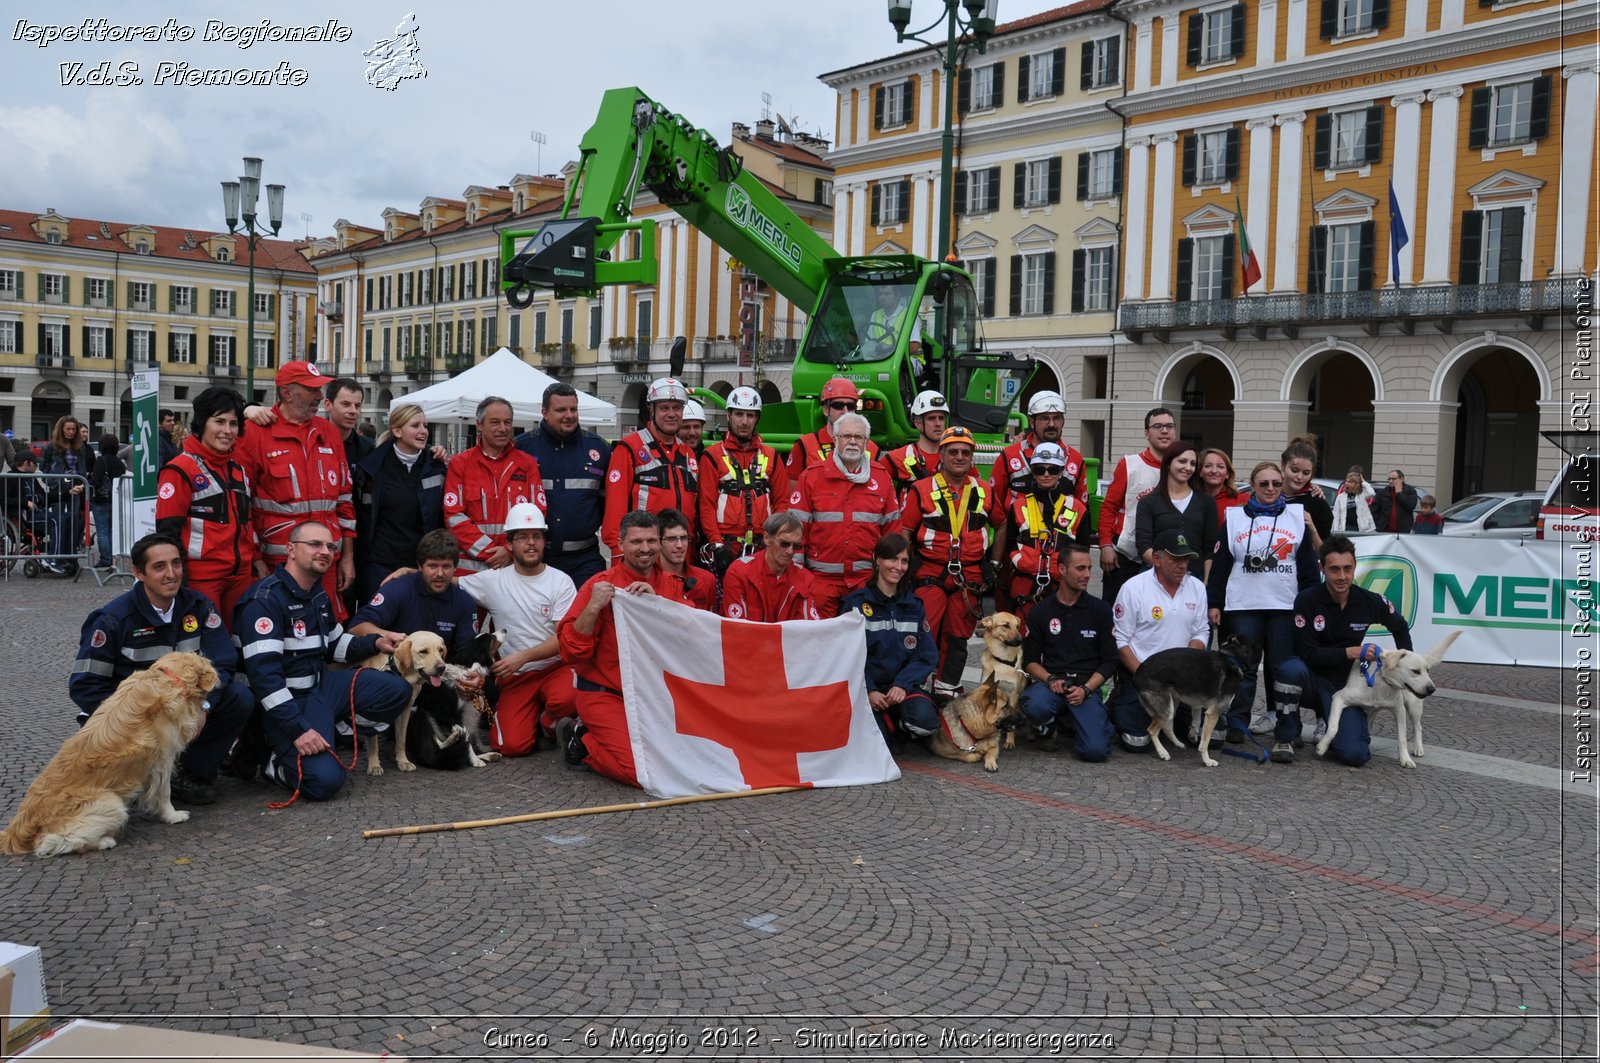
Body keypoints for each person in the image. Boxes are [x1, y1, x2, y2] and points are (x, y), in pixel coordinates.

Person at [68, 533, 254, 806]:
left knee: (239, 696)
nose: (171, 574)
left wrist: (204, 706)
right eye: (159, 567)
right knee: (116, 805)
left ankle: (190, 773)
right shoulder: (113, 620)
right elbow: (85, 685)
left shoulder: (199, 608)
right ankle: (137, 775)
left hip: (184, 712)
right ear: (138, 573)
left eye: (176, 564)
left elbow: (223, 663)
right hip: (133, 720)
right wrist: (136, 719)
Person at [236, 519, 411, 801]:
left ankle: (329, 732)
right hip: (287, 703)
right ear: (291, 550)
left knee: (397, 690)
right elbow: (264, 680)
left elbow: (335, 645)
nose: (326, 551)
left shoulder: (316, 593)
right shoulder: (264, 601)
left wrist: (376, 641)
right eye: (315, 544)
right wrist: (297, 730)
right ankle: (270, 758)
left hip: (322, 689)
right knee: (325, 782)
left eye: (331, 546)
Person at [1207, 461, 1321, 762]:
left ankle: (1289, 725)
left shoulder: (1297, 517)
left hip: (1285, 605)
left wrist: (1311, 605)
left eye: (1275, 483)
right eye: (1263, 484)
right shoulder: (1233, 518)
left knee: (1282, 668)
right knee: (1242, 667)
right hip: (1244, 603)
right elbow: (1220, 566)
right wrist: (1214, 602)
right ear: (1253, 487)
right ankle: (1237, 722)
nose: (1270, 489)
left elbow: (1308, 567)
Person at [556, 510, 679, 786]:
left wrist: (658, 604)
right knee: (642, 774)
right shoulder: (599, 586)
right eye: (636, 542)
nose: (645, 549)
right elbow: (570, 650)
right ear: (620, 545)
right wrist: (593, 607)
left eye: (651, 541)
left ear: (660, 542)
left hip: (653, 695)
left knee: (683, 759)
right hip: (605, 695)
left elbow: (691, 633)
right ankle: (581, 739)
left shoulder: (669, 586)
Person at [232, 362, 358, 620]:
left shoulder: (328, 433)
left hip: (326, 560)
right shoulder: (255, 434)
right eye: (311, 389)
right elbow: (241, 506)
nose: (319, 396)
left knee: (328, 630)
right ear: (287, 393)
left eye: (319, 389)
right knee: (284, 629)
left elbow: (345, 501)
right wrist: (255, 559)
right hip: (280, 564)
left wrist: (347, 557)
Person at [1276, 535, 1414, 767]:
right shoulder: (1307, 600)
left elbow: (1400, 627)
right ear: (1323, 569)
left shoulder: (1369, 601)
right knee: (1290, 670)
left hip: (1347, 686)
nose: (1342, 576)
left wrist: (1404, 666)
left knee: (1355, 754)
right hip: (1312, 678)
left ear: (1354, 567)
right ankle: (1285, 737)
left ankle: (1334, 728)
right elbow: (1309, 654)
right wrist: (1351, 652)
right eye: (1335, 569)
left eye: (1347, 569)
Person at [455, 505, 579, 756]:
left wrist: (522, 657)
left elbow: (563, 638)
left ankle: (548, 722)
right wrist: (408, 574)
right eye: (522, 537)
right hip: (516, 677)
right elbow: (445, 579)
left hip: (556, 669)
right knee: (510, 746)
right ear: (509, 544)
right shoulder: (493, 580)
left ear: (544, 541)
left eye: (537, 536)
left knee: (566, 698)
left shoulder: (561, 581)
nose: (531, 543)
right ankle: (534, 718)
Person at [899, 425, 1000, 699]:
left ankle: (946, 688)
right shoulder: (920, 489)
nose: (959, 456)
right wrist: (904, 568)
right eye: (953, 451)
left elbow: (1001, 525)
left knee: (958, 636)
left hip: (969, 577)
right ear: (941, 454)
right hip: (930, 572)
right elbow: (905, 532)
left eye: (965, 452)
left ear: (972, 456)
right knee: (924, 631)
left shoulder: (984, 490)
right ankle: (914, 688)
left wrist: (995, 564)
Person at [156, 387, 258, 627]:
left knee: (242, 649)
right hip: (202, 580)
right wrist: (179, 582)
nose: (227, 431)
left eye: (233, 424)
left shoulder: (238, 470)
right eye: (219, 421)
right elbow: (167, 535)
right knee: (208, 652)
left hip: (241, 578)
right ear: (202, 424)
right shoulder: (179, 469)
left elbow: (247, 525)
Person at [1109, 529, 1212, 752]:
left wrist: (1189, 667)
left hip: (1181, 682)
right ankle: (1119, 702)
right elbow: (1121, 642)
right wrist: (1147, 678)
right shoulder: (1133, 589)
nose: (1182, 565)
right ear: (1157, 559)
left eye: (1185, 559)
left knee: (1204, 738)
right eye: (1175, 559)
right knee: (1135, 743)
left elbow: (1201, 632)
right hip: (1144, 677)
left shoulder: (1197, 588)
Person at [791, 411, 900, 618]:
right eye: (846, 436)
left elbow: (892, 534)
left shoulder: (882, 478)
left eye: (858, 437)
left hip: (866, 582)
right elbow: (796, 532)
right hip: (820, 583)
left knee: (865, 645)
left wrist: (887, 578)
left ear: (867, 442)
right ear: (835, 440)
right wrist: (798, 577)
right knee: (821, 643)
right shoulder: (811, 477)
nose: (852, 442)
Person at [1019, 543, 1118, 760]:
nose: (1087, 575)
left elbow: (1110, 661)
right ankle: (1049, 724)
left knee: (1095, 752)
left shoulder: (1100, 611)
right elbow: (1030, 661)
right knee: (1034, 703)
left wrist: (1087, 689)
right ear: (1062, 570)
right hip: (1052, 685)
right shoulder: (1041, 611)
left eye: (1090, 569)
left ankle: (1082, 722)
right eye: (1080, 568)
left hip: (1086, 687)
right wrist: (1051, 678)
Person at [839, 532, 939, 745]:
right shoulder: (855, 605)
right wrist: (870, 690)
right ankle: (886, 725)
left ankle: (899, 720)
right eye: (892, 559)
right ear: (877, 559)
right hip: (866, 691)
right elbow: (845, 657)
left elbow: (927, 655)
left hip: (901, 689)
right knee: (877, 745)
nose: (898, 567)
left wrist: (902, 685)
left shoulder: (914, 605)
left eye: (904, 561)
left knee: (926, 723)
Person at [514, 382, 612, 590]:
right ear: (545, 412)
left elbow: (609, 501)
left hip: (584, 560)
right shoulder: (521, 448)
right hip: (537, 558)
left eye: (573, 409)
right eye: (561, 410)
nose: (569, 415)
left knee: (588, 617)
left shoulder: (598, 449)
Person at [348, 529, 481, 675]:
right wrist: (392, 637)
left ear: (455, 567)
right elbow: (356, 627)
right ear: (419, 566)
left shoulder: (464, 601)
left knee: (486, 688)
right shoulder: (398, 589)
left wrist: (473, 677)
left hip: (438, 675)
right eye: (432, 566)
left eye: (446, 566)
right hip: (394, 673)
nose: (440, 574)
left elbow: (467, 654)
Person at [352, 403, 447, 604]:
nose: (423, 431)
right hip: (379, 563)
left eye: (425, 425)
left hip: (421, 562)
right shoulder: (372, 466)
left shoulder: (436, 465)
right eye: (415, 425)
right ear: (397, 431)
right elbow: (360, 515)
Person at [444, 396, 547, 575]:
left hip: (515, 567)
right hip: (471, 571)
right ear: (479, 424)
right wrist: (491, 552)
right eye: (494, 422)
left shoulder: (527, 463)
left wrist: (509, 551)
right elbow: (454, 517)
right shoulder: (461, 464)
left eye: (507, 422)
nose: (503, 428)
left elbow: (537, 513)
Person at [603, 377, 699, 552]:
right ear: (651, 410)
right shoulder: (629, 448)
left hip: (680, 553)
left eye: (677, 408)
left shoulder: (687, 453)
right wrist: (619, 556)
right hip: (644, 553)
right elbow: (614, 511)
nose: (671, 414)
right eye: (664, 408)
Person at [698, 386, 787, 572]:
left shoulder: (772, 456)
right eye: (739, 414)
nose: (744, 421)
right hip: (726, 546)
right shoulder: (712, 456)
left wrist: (773, 537)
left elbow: (782, 502)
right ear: (729, 416)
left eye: (750, 415)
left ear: (757, 418)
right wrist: (716, 543)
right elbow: (706, 505)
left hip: (763, 546)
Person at [1098, 407, 1178, 606]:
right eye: (1158, 426)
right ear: (1146, 433)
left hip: (1167, 554)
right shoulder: (1129, 464)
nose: (1164, 431)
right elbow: (1109, 506)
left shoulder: (1181, 467)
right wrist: (1106, 545)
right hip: (1126, 555)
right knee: (1115, 613)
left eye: (1169, 426)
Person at [1004, 442, 1090, 615]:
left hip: (1063, 585)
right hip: (1025, 583)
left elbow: (1084, 550)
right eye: (1039, 470)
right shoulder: (1018, 506)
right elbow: (1011, 545)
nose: (1046, 474)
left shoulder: (1078, 509)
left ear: (1060, 473)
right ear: (1033, 473)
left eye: (1052, 470)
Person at [988, 390, 1091, 523]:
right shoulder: (1009, 455)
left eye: (1057, 418)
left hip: (1062, 538)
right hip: (1017, 537)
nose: (1052, 424)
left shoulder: (1075, 459)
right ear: (1032, 422)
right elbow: (994, 501)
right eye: (1044, 418)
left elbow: (1081, 507)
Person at [1135, 442, 1218, 582]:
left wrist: (1206, 583)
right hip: (1156, 577)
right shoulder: (1148, 502)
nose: (1188, 468)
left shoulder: (1206, 501)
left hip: (1195, 579)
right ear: (1168, 463)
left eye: (1193, 463)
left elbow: (1210, 549)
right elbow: (1143, 545)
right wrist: (1168, 570)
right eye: (1182, 461)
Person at [721, 511, 821, 622]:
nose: (790, 551)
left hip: (786, 639)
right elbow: (736, 628)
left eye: (796, 546)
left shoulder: (805, 579)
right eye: (784, 543)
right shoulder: (739, 572)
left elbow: (808, 629)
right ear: (767, 538)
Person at [786, 377, 880, 480]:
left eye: (851, 406)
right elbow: (793, 490)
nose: (845, 411)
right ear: (826, 410)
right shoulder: (805, 445)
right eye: (838, 405)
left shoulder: (871, 448)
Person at [38, 414, 90, 571]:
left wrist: (81, 484)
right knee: (61, 522)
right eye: (68, 429)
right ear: (61, 429)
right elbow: (44, 467)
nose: (71, 432)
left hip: (76, 486)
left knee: (74, 522)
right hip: (59, 487)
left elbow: (82, 468)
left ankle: (69, 556)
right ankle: (57, 557)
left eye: (74, 429)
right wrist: (52, 482)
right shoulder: (51, 446)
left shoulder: (79, 447)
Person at [883, 390, 948, 499]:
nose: (938, 423)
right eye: (931, 418)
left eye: (941, 418)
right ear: (917, 423)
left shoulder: (957, 456)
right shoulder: (897, 457)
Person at [656, 508, 716, 611]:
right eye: (671, 539)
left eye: (684, 538)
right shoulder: (648, 579)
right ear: (658, 541)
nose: (679, 545)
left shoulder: (707, 580)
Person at [1281, 435, 1333, 548]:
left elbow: (1323, 554)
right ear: (1283, 465)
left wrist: (1312, 529)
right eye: (1294, 470)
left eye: (1306, 473)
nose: (1299, 477)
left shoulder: (1318, 503)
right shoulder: (1269, 495)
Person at [88, 433, 126, 570]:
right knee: (111, 530)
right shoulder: (119, 463)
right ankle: (112, 557)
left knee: (102, 530)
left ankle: (105, 558)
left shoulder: (101, 461)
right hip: (115, 500)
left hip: (101, 500)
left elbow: (96, 481)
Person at [1198, 447, 1246, 527]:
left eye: (1220, 467)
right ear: (1200, 472)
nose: (1214, 471)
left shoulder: (1242, 500)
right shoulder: (1190, 499)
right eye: (1208, 466)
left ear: (1227, 474)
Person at [1330, 467, 1376, 534]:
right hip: (1346, 527)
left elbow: (1372, 493)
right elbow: (1336, 515)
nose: (1346, 483)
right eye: (1346, 481)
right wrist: (1335, 531)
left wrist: (1363, 481)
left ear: (1355, 484)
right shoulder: (1341, 497)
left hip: (1362, 528)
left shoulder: (1361, 494)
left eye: (1350, 482)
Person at [1373, 469, 1419, 534]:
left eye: (1393, 479)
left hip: (1403, 531)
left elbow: (1411, 506)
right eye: (1389, 479)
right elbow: (1374, 510)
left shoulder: (1410, 491)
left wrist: (1399, 493)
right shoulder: (1383, 493)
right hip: (1384, 530)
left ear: (1401, 479)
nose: (1390, 481)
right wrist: (1378, 524)